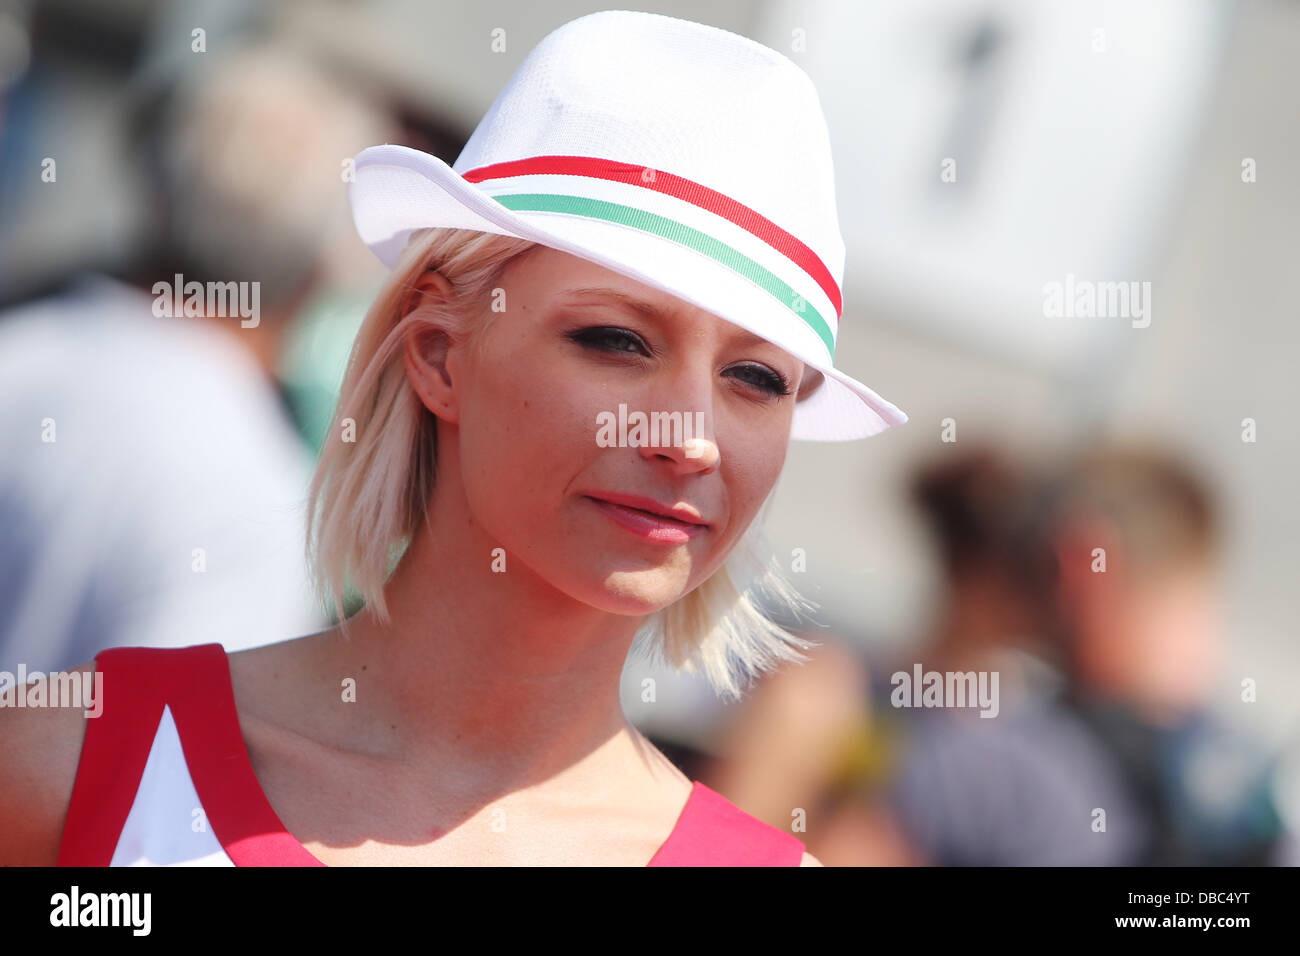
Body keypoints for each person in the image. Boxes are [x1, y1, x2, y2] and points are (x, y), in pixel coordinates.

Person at [0, 10, 908, 866]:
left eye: (757, 379)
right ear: (439, 355)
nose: (690, 438)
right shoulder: (69, 768)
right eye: (617, 340)